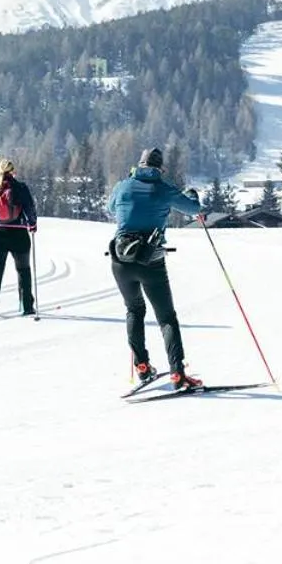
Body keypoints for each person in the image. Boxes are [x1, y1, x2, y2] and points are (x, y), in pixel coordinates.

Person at [108, 148, 205, 390]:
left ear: (138, 164)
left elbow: (111, 208)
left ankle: (142, 366)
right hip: (151, 260)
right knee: (166, 318)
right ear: (160, 168)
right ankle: (177, 374)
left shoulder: (123, 186)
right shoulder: (163, 188)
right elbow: (194, 209)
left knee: (134, 310)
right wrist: (192, 195)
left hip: (120, 258)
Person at [0, 158, 37, 317]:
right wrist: (32, 225)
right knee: (23, 270)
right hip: (19, 234)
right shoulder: (21, 187)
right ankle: (26, 306)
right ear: (13, 172)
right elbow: (30, 209)